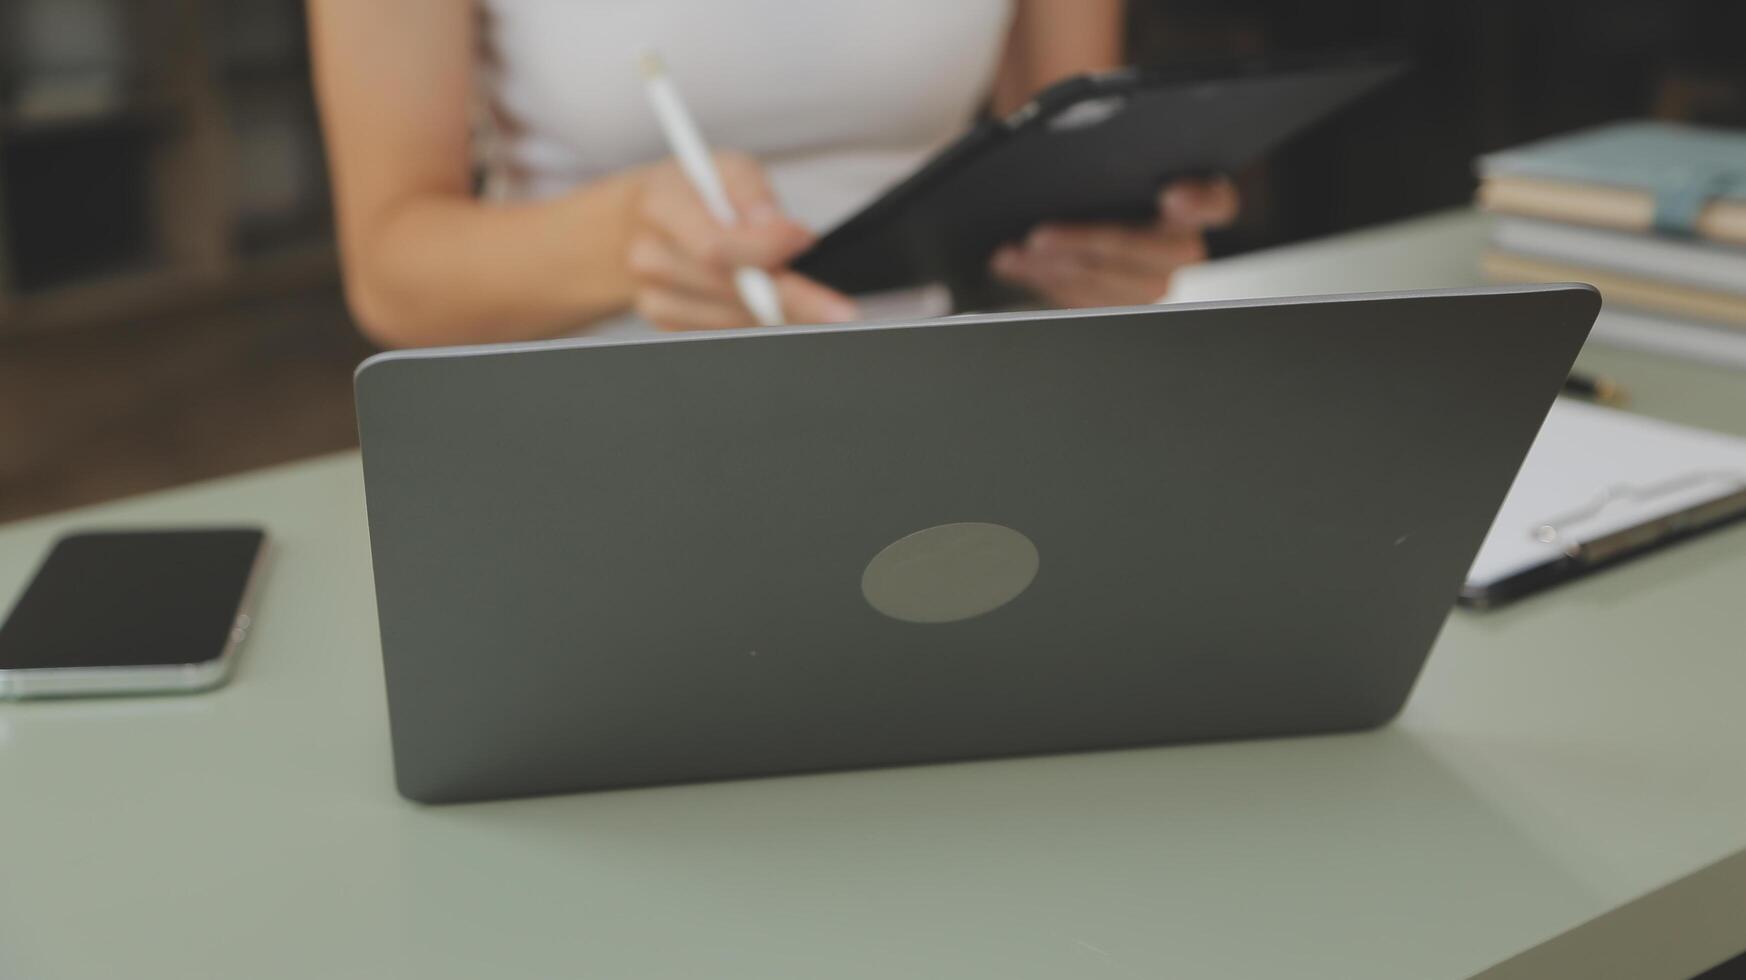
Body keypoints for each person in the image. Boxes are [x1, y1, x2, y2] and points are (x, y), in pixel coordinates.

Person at [308, 0, 1238, 348]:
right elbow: (394, 271)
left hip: (951, 396)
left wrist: (1099, 253)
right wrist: (622, 240)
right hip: (591, 423)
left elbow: (1062, 139)